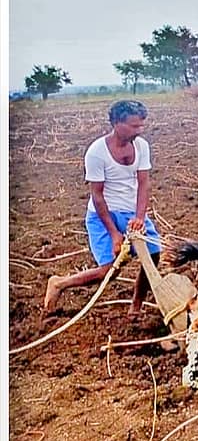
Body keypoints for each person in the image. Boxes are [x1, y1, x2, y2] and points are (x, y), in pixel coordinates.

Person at [43, 100, 162, 315]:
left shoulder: (142, 146)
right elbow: (97, 196)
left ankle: (136, 306)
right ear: (117, 123)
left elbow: (143, 184)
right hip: (103, 215)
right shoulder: (97, 152)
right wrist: (115, 234)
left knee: (153, 255)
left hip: (130, 213)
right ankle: (59, 283)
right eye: (134, 126)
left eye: (141, 125)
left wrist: (140, 218)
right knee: (109, 271)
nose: (140, 130)